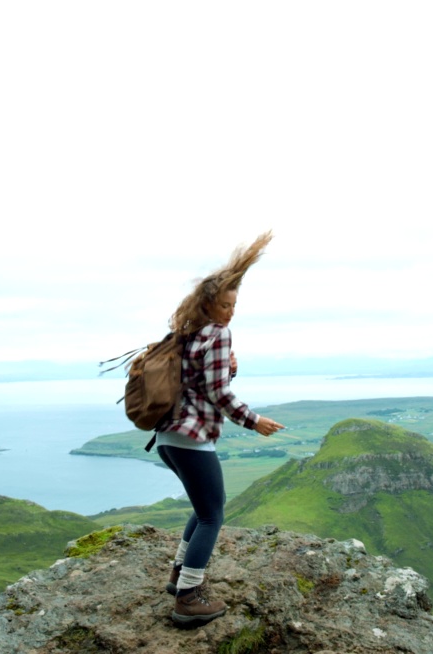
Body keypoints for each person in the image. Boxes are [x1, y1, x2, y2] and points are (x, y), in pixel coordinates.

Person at [156, 231, 285, 626]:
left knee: (202, 508)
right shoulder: (217, 333)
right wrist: (253, 420)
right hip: (190, 438)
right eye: (225, 305)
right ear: (208, 303)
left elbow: (200, 378)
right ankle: (188, 599)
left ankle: (179, 575)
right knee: (213, 516)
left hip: (166, 436)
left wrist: (228, 367)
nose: (230, 312)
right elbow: (216, 392)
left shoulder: (190, 333)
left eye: (234, 305)